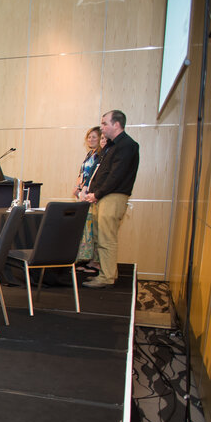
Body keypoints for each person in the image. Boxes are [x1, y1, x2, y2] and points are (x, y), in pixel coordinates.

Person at [84, 110, 139, 289]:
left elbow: (116, 176)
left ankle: (106, 277)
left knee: (107, 238)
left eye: (104, 124)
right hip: (103, 196)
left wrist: (97, 194)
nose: (102, 127)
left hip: (112, 196)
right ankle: (108, 273)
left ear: (116, 124)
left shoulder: (127, 145)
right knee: (100, 236)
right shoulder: (111, 146)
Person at [74, 126, 103, 271]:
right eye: (89, 137)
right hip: (83, 195)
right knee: (86, 229)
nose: (91, 139)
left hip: (93, 196)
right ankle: (87, 259)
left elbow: (94, 176)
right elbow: (82, 173)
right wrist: (77, 187)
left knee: (94, 229)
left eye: (94, 137)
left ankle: (95, 261)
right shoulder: (89, 154)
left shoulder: (100, 155)